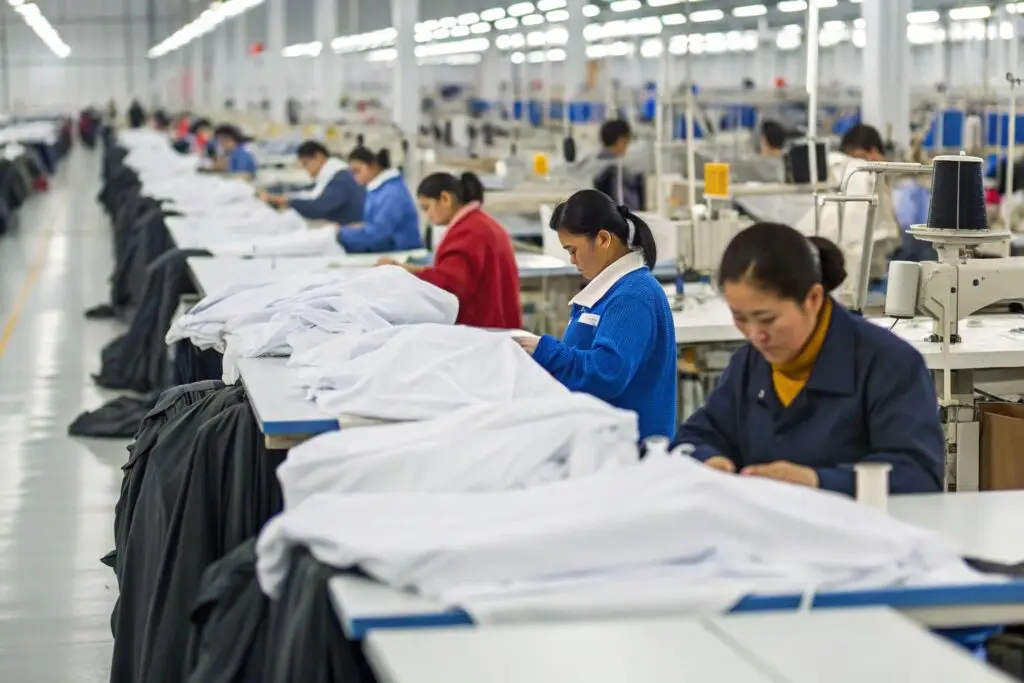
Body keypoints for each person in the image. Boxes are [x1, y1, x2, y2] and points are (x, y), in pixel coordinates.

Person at [670, 222, 944, 495]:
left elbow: (918, 474)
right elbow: (696, 437)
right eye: (740, 318)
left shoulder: (888, 365)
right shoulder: (750, 365)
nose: (755, 335)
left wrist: (816, 481)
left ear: (812, 298)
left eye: (768, 319)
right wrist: (709, 461)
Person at [516, 189, 677, 440]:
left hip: (630, 451)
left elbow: (608, 373)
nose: (572, 260)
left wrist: (545, 351)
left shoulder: (632, 296)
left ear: (603, 239)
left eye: (573, 250)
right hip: (603, 440)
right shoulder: (609, 291)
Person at [378, 172, 523, 329]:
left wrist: (401, 272)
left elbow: (449, 285)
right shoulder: (480, 223)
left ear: (445, 199)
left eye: (427, 207)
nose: (428, 216)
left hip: (483, 332)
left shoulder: (468, 232)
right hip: (498, 326)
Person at [794, 123, 901, 305]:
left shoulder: (825, 167)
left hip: (803, 253)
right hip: (842, 269)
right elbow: (861, 236)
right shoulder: (864, 172)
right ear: (874, 151)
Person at [337, 146, 422, 253]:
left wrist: (341, 234)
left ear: (373, 165)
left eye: (357, 171)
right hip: (388, 250)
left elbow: (380, 233)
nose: (355, 177)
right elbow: (374, 225)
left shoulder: (391, 193)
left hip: (401, 253)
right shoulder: (378, 190)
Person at [259, 140, 364, 225]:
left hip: (350, 229)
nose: (306, 170)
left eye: (306, 164)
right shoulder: (336, 175)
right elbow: (310, 190)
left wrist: (287, 201)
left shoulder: (341, 179)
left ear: (319, 157)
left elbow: (319, 208)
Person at [593, 119, 644, 211]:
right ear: (621, 140)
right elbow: (631, 207)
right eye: (627, 141)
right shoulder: (617, 171)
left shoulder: (595, 163)